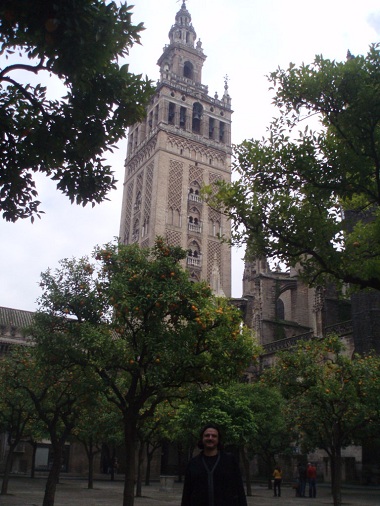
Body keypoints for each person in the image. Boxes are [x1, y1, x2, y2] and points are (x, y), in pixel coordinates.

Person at [181, 423, 247, 506]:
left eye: (214, 436)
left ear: (218, 439)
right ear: (202, 438)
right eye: (207, 435)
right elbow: (187, 493)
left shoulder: (229, 461)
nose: (210, 438)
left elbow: (239, 490)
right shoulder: (193, 463)